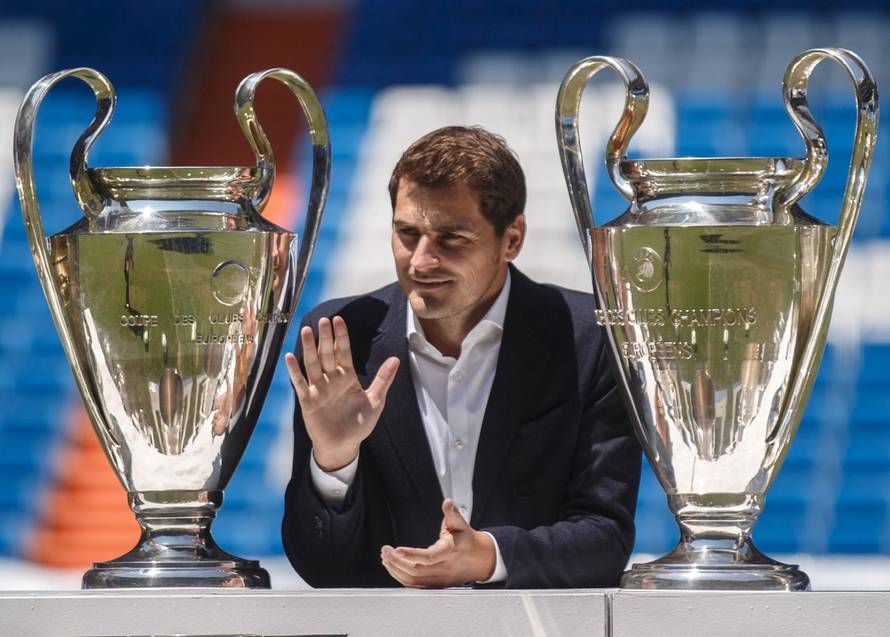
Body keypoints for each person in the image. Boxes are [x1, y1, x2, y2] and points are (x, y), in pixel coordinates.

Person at [281, 125, 641, 588]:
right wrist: (334, 461)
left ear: (512, 240)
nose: (421, 261)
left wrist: (489, 557)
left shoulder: (590, 339)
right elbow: (321, 568)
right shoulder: (340, 337)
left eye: (451, 238)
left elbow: (605, 538)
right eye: (407, 233)